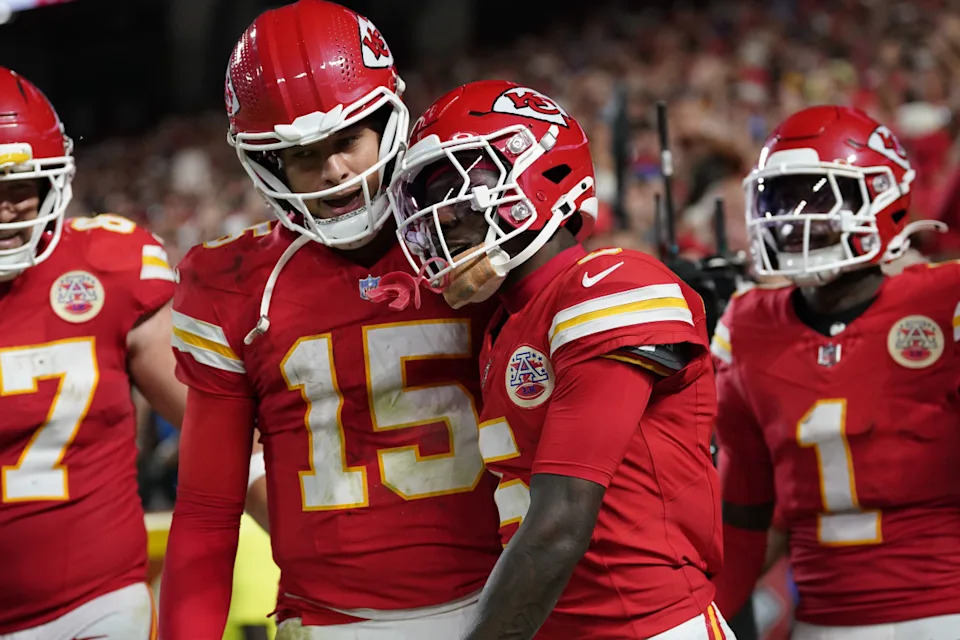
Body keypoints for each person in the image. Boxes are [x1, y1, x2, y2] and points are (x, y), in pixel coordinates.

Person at [158, 2, 501, 638]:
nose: (334, 170)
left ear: (384, 124)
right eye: (304, 154)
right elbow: (208, 510)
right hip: (332, 621)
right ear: (269, 163)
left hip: (506, 602)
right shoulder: (236, 285)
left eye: (347, 140)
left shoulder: (475, 239)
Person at [378, 79, 733, 640]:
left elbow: (561, 523)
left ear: (542, 171)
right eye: (427, 200)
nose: (440, 218)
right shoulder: (504, 324)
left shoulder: (610, 284)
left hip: (648, 626)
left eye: (455, 184)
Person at [712, 105, 960, 640]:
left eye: (821, 197)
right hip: (822, 618)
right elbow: (744, 509)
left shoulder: (946, 303)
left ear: (883, 197)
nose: (797, 218)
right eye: (780, 199)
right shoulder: (748, 326)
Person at [0, 67, 183, 639]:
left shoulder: (110, 264)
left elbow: (217, 424)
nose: (4, 210)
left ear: (55, 183)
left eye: (19, 187)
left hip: (97, 607)